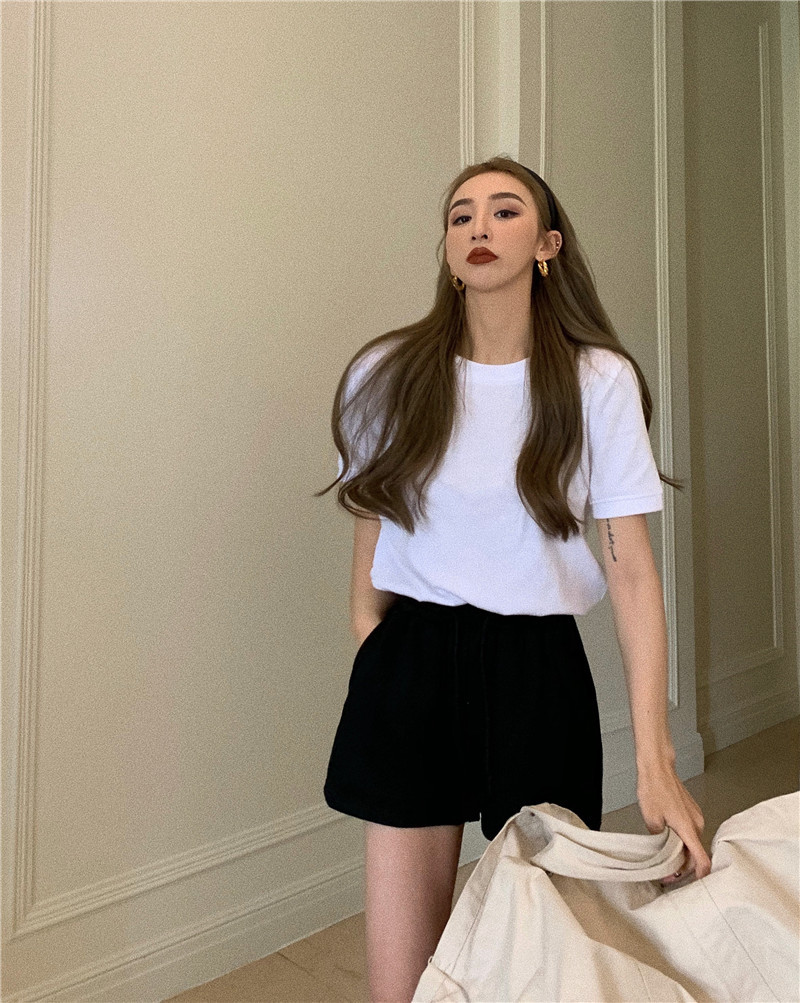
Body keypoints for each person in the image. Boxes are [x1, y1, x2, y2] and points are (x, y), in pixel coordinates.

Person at [315, 156, 712, 1003]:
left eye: (504, 211)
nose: (478, 227)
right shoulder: (388, 371)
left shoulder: (596, 380)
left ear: (547, 244)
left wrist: (656, 760)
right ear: (447, 246)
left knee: (541, 969)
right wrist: (374, 641)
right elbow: (372, 519)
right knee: (401, 985)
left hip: (538, 672)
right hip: (412, 665)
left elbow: (632, 573)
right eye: (461, 215)